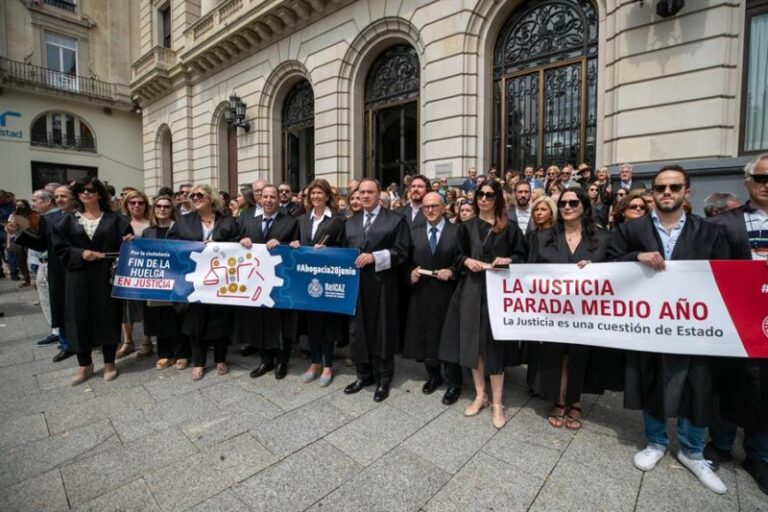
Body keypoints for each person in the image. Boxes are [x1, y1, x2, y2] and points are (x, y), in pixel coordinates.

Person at [608, 165, 731, 494]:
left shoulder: (709, 232)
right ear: (652, 192)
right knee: (652, 380)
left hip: (695, 328)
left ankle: (693, 451)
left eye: (674, 187)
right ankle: (656, 442)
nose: (667, 192)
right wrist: (636, 256)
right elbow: (609, 262)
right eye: (661, 187)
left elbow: (726, 277)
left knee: (698, 385)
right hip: (649, 326)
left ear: (686, 192)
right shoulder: (631, 230)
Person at [439, 179, 527, 428]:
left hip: (498, 292)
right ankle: (480, 396)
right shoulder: (465, 227)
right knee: (473, 344)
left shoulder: (510, 228)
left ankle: (497, 403)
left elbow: (522, 256)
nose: (484, 199)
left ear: (498, 198)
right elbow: (456, 256)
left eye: (489, 195)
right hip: (471, 290)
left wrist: (509, 260)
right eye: (480, 195)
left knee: (494, 346)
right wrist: (466, 261)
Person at [707, 154, 768, 495]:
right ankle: (720, 444)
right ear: (747, 182)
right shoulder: (725, 224)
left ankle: (759, 455)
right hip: (735, 318)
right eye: (761, 178)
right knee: (730, 380)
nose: (767, 185)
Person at [527, 187, 611, 430]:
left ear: (585, 206)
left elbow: (617, 268)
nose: (567, 207)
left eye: (573, 203)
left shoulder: (603, 238)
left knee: (579, 354)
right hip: (553, 310)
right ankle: (560, 399)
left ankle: (576, 401)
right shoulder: (542, 237)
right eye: (563, 203)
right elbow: (529, 271)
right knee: (557, 355)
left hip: (587, 310)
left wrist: (597, 269)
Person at [51, 177, 133, 385]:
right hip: (78, 276)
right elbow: (59, 248)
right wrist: (80, 253)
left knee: (108, 317)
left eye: (91, 190)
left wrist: (130, 241)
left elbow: (128, 243)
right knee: (79, 318)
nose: (86, 193)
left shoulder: (116, 219)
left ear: (99, 193)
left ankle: (109, 363)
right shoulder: (67, 221)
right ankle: (85, 365)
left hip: (106, 276)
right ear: (77, 195)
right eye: (81, 190)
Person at [343, 178, 409, 402]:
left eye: (370, 192)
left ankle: (383, 379)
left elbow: (402, 251)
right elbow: (343, 252)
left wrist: (374, 257)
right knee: (358, 330)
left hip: (383, 286)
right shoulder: (350, 222)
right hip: (357, 287)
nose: (365, 196)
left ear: (379, 193)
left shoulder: (396, 220)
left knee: (383, 331)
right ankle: (363, 375)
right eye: (361, 192)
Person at [168, 184, 238, 380]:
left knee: (220, 319)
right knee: (196, 321)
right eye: (192, 196)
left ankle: (220, 359)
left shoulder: (228, 220)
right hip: (195, 279)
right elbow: (172, 246)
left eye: (199, 195)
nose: (195, 198)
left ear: (211, 198)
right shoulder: (184, 221)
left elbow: (237, 242)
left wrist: (220, 246)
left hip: (221, 279)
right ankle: (199, 362)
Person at [402, 192, 463, 405]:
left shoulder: (457, 231)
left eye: (434, 206)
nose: (430, 210)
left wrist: (452, 271)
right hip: (422, 294)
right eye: (426, 206)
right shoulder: (414, 233)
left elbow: (463, 259)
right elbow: (405, 261)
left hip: (448, 294)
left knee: (449, 338)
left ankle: (454, 383)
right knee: (426, 336)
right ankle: (434, 376)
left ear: (444, 207)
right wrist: (410, 273)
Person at [236, 185, 299, 380]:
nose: (269, 200)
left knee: (282, 323)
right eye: (265, 197)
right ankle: (266, 360)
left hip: (281, 282)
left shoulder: (291, 222)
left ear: (278, 200)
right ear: (259, 199)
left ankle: (282, 361)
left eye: (273, 197)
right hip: (257, 282)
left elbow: (297, 248)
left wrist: (283, 245)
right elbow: (237, 247)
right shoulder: (249, 223)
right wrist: (242, 242)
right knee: (260, 321)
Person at [290, 179, 346, 387]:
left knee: (328, 323)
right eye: (312, 193)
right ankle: (314, 363)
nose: (315, 196)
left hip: (328, 278)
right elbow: (296, 242)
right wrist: (294, 244)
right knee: (312, 323)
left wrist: (329, 251)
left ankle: (328, 365)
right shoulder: (302, 220)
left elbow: (344, 248)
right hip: (307, 280)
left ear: (327, 196)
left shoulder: (338, 221)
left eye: (319, 193)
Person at [142, 195, 190, 370]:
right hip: (156, 282)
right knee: (159, 317)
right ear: (154, 209)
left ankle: (182, 354)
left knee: (177, 317)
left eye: (166, 206)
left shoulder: (181, 230)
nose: (162, 209)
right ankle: (164, 354)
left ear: (172, 210)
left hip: (177, 280)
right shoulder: (147, 232)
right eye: (158, 206)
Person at [117, 190, 153, 359]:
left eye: (140, 203)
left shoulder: (152, 223)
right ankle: (128, 341)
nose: (137, 206)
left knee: (147, 305)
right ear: (127, 205)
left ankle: (147, 341)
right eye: (133, 203)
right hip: (127, 269)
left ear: (146, 205)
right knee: (126, 306)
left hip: (148, 270)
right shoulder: (120, 222)